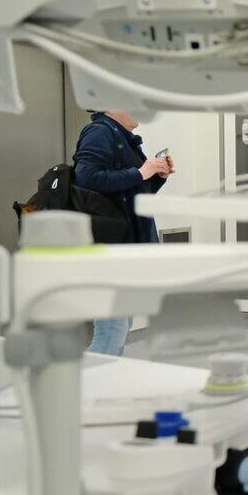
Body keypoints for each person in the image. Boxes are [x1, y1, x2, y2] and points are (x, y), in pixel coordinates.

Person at [73, 110, 174, 356]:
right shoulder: (99, 132)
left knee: (120, 325)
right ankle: (90, 379)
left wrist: (156, 176)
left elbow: (131, 191)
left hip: (124, 244)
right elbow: (86, 177)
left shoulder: (124, 138)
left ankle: (107, 378)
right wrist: (141, 172)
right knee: (113, 329)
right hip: (107, 246)